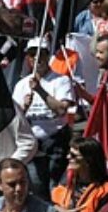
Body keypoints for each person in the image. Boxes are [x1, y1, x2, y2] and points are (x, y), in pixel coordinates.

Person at [12, 38, 75, 196]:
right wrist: (24, 108)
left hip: (55, 141)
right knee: (36, 184)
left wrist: (40, 90)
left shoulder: (61, 80)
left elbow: (62, 109)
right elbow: (15, 118)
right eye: (32, 54)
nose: (36, 58)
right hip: (32, 143)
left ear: (48, 57)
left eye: (41, 54)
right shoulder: (21, 85)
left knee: (55, 184)